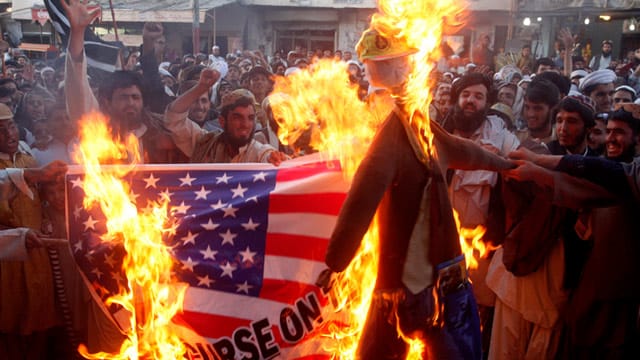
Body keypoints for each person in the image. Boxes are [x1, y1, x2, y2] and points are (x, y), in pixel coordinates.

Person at [318, 28, 515, 360]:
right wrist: (337, 261)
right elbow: (362, 201)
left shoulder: (413, 125)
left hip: (427, 284)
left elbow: (461, 150)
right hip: (416, 284)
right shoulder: (401, 130)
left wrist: (505, 165)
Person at [505, 105, 640, 358]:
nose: (611, 138)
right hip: (588, 296)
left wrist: (538, 164)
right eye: (609, 132)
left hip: (623, 303)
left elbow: (617, 177)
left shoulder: (628, 180)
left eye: (620, 132)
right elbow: (570, 187)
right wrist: (535, 172)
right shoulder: (601, 175)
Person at [63, 1, 184, 164]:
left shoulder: (157, 131)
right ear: (107, 101)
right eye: (123, 97)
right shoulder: (98, 129)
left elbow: (154, 83)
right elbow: (77, 85)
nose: (130, 103)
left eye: (135, 97)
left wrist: (148, 43)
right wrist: (77, 32)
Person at [0, 102, 71, 358]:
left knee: (41, 317)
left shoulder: (28, 157)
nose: (9, 134)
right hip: (7, 258)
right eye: (0, 129)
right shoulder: (28, 166)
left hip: (37, 251)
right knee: (10, 319)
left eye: (10, 126)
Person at [164, 68, 287, 164]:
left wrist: (274, 158)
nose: (245, 124)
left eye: (250, 118)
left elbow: (267, 155)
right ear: (222, 121)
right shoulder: (204, 143)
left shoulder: (258, 151)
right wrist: (201, 87)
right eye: (237, 118)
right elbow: (174, 118)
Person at [516, 78, 560, 150]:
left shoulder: (562, 139)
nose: (531, 114)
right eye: (527, 107)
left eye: (538, 108)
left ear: (553, 108)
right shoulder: (514, 138)